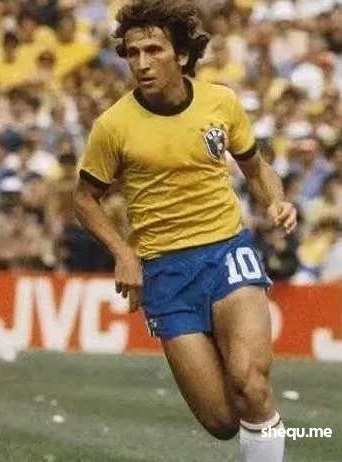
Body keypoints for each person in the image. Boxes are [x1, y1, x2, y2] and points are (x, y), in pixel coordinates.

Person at [73, 1, 297, 461]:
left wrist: (275, 200)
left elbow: (256, 168)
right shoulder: (113, 126)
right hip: (166, 272)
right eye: (132, 53)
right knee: (221, 421)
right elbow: (83, 199)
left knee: (251, 384)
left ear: (181, 54)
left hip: (228, 252)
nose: (141, 63)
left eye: (153, 50)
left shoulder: (221, 102)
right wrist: (124, 253)